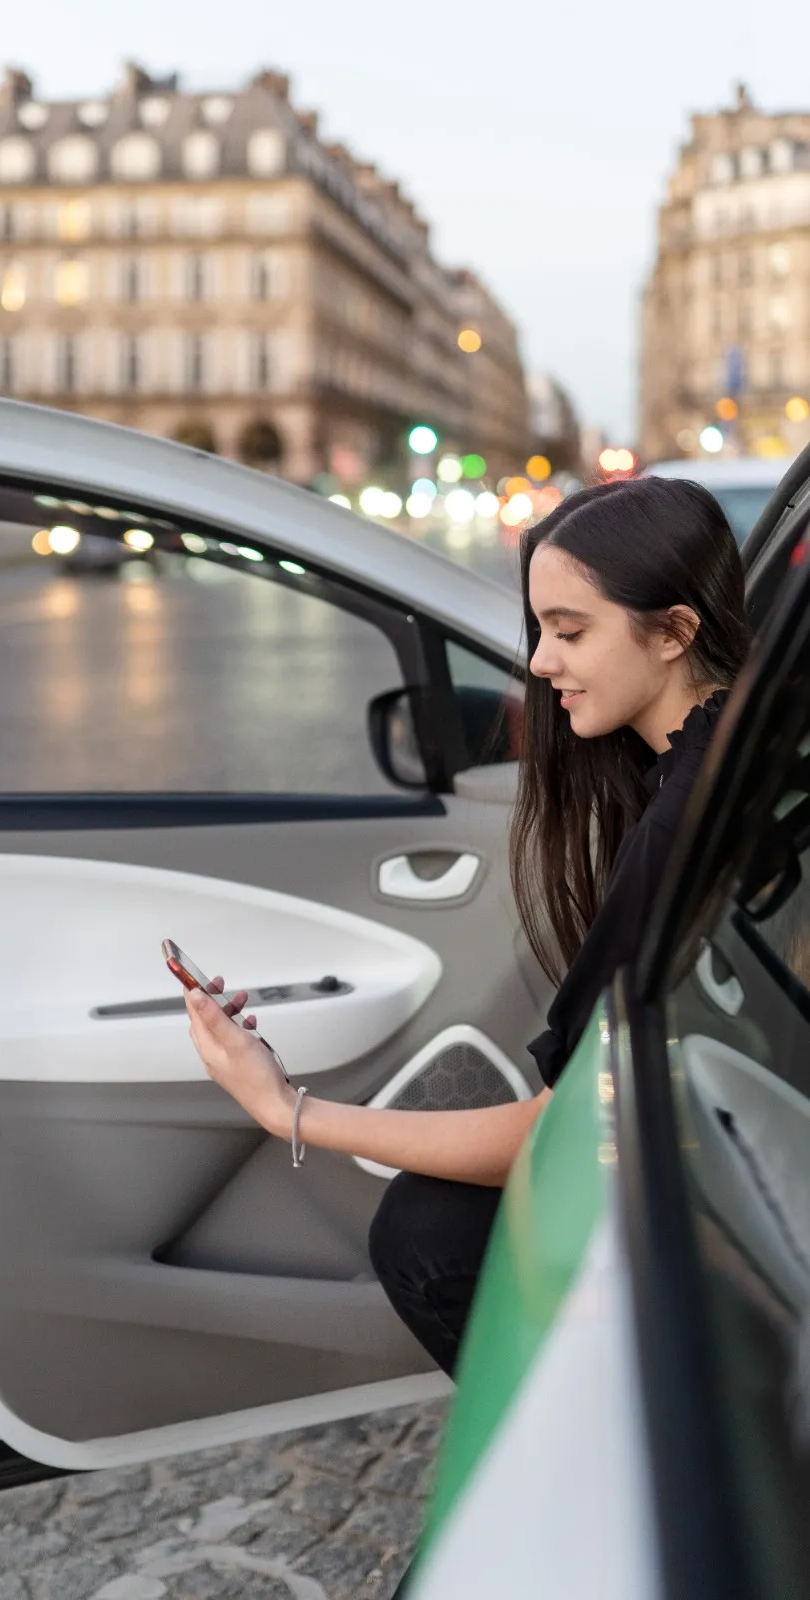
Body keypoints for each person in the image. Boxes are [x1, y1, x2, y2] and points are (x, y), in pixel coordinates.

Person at [184, 477, 751, 1374]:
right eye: (539, 632)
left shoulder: (689, 818)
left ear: (675, 632)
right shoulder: (724, 760)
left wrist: (285, 1108)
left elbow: (556, 1135)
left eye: (569, 632)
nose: (538, 663)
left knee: (428, 1231)